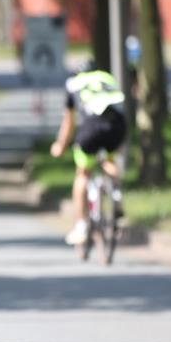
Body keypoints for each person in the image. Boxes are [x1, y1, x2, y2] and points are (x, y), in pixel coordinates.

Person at [51, 62, 127, 246]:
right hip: (116, 124)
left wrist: (60, 145)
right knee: (108, 161)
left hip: (91, 127)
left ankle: (81, 225)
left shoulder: (73, 84)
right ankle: (117, 195)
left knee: (83, 173)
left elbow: (68, 122)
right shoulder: (106, 77)